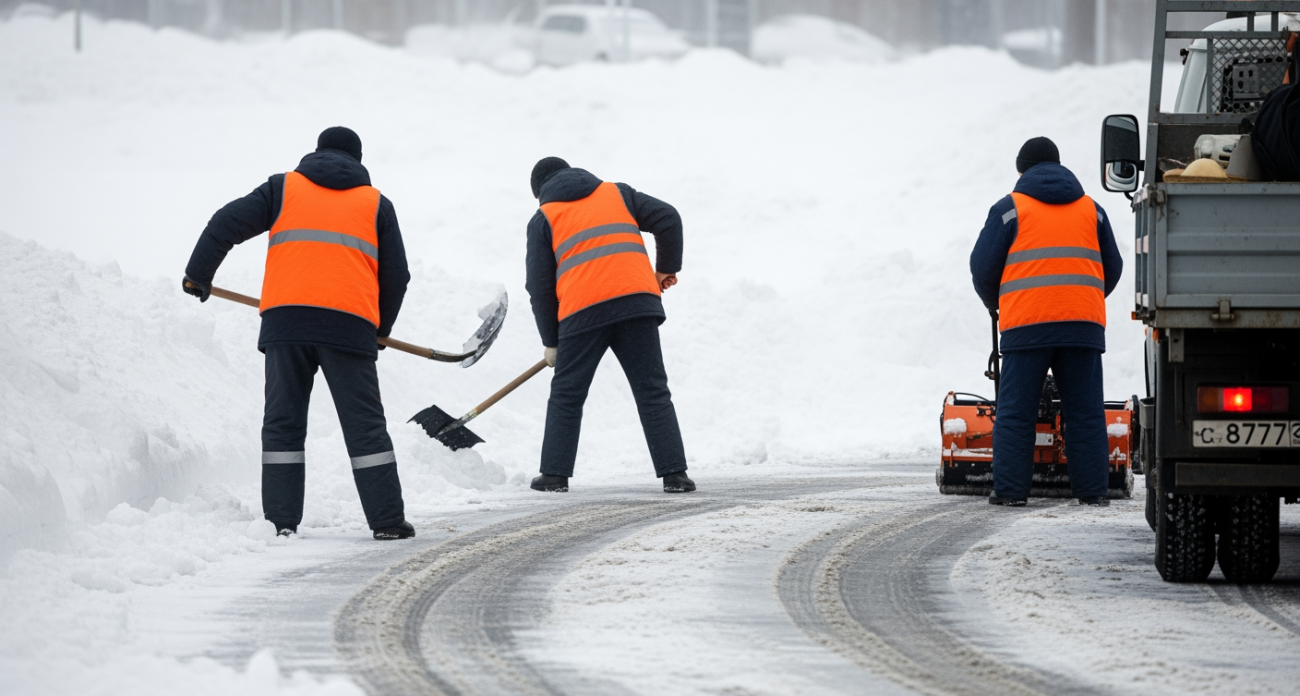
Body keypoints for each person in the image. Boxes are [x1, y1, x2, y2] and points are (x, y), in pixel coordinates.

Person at [182, 126, 415, 539]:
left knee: (283, 424)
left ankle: (280, 523)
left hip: (286, 324)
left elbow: (226, 222)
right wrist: (380, 329)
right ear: (359, 161)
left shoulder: (282, 188)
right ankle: (387, 523)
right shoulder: (376, 204)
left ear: (316, 152)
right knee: (364, 426)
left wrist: (198, 274)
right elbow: (397, 276)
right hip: (349, 328)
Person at [969, 137, 1123, 507]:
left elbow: (982, 268)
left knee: (1016, 413)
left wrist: (1000, 305)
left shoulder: (1009, 209)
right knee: (1085, 412)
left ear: (1023, 169)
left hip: (1026, 326)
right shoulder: (1093, 210)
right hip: (1082, 327)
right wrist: (1080, 299)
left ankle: (1009, 493)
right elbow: (1113, 268)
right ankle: (1092, 493)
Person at [524, 157, 693, 493]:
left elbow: (540, 287)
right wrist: (665, 269)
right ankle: (675, 474)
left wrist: (551, 340)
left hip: (582, 313)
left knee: (567, 395)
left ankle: (555, 476)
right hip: (636, 303)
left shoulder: (544, 218)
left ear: (540, 191)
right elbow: (668, 217)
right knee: (652, 390)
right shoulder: (616, 193)